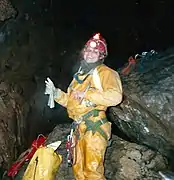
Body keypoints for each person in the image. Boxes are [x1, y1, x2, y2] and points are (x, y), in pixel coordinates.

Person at [45, 33, 123, 180]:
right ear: (83, 52)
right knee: (79, 171)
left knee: (92, 172)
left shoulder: (105, 73)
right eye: (88, 50)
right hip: (78, 130)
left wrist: (88, 95)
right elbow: (71, 102)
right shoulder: (79, 76)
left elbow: (116, 96)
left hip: (94, 128)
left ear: (101, 56)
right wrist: (56, 93)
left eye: (96, 52)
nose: (91, 54)